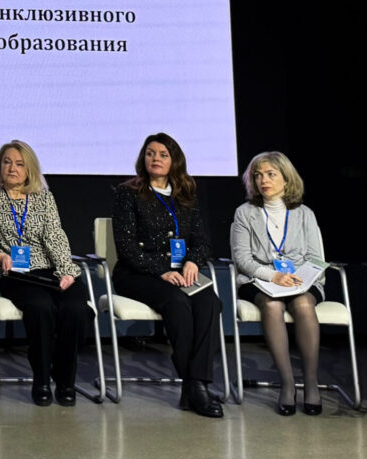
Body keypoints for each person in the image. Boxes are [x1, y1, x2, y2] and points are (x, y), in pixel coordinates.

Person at [0, 140, 92, 406]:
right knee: (41, 308)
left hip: (51, 271)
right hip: (18, 275)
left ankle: (65, 378)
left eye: (19, 164)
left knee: (77, 309)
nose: (12, 168)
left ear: (29, 169)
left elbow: (55, 236)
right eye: (7, 162)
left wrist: (66, 272)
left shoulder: (44, 198)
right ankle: (42, 379)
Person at [111, 133, 223, 418]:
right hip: (137, 273)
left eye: (163, 155)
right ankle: (196, 388)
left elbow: (201, 241)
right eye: (150, 153)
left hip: (180, 272)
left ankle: (195, 383)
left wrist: (193, 261)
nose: (155, 159)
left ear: (174, 160)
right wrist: (161, 271)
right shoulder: (128, 193)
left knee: (210, 302)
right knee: (177, 302)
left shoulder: (185, 195)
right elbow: (126, 248)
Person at [230, 151, 323, 415]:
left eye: (271, 174)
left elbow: (315, 258)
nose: (264, 180)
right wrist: (273, 276)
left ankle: (311, 383)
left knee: (303, 305)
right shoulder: (245, 213)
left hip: (299, 280)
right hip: (259, 280)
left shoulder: (304, 214)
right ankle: (287, 383)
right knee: (272, 306)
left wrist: (299, 279)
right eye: (258, 175)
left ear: (286, 178)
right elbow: (242, 259)